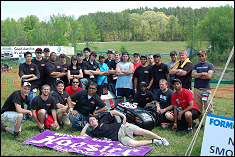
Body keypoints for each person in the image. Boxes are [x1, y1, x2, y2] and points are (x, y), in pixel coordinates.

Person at [80, 110, 169, 147]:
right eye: (90, 121)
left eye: (93, 119)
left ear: (97, 119)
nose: (92, 121)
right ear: (90, 124)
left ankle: (161, 138)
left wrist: (123, 116)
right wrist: (86, 125)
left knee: (141, 131)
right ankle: (153, 141)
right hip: (120, 137)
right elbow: (82, 136)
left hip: (123, 127)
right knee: (132, 144)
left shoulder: (103, 120)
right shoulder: (94, 132)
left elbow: (113, 112)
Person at [192, 50, 215, 129]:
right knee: (198, 108)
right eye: (199, 56)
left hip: (206, 89)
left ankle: (211, 126)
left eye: (202, 55)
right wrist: (202, 74)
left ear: (206, 55)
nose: (201, 57)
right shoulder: (196, 65)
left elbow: (209, 76)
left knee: (208, 107)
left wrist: (198, 75)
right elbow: (193, 75)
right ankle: (200, 124)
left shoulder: (210, 65)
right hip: (197, 89)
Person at [19, 51, 40, 121]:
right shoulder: (22, 65)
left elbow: (38, 76)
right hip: (25, 87)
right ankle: (23, 118)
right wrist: (31, 75)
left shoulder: (34, 66)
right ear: (25, 57)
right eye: (27, 56)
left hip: (33, 86)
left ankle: (31, 116)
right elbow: (22, 76)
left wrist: (28, 79)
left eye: (30, 56)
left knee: (32, 102)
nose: (29, 58)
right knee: (24, 103)